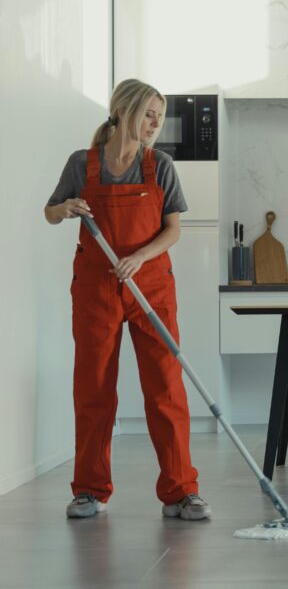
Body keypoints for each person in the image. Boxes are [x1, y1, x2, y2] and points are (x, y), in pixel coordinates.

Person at [45, 79, 210, 520]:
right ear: (122, 110)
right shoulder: (83, 164)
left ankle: (180, 491)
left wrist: (139, 257)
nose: (155, 123)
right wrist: (66, 209)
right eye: (149, 113)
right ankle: (89, 490)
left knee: (165, 388)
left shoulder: (161, 166)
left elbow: (173, 230)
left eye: (160, 115)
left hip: (151, 286)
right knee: (93, 389)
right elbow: (51, 211)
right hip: (97, 287)